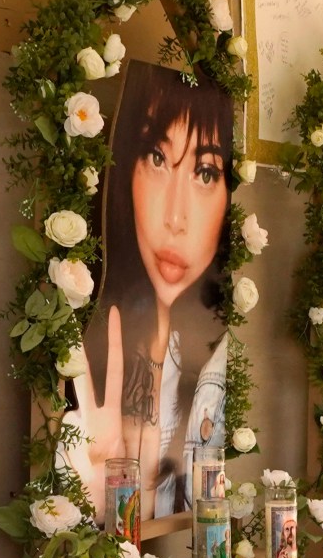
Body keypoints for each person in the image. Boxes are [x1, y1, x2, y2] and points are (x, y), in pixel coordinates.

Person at [71, 62, 234, 517]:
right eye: (157, 159)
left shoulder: (217, 360)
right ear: (126, 166)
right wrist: (101, 476)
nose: (175, 217)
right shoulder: (86, 352)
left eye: (205, 172)